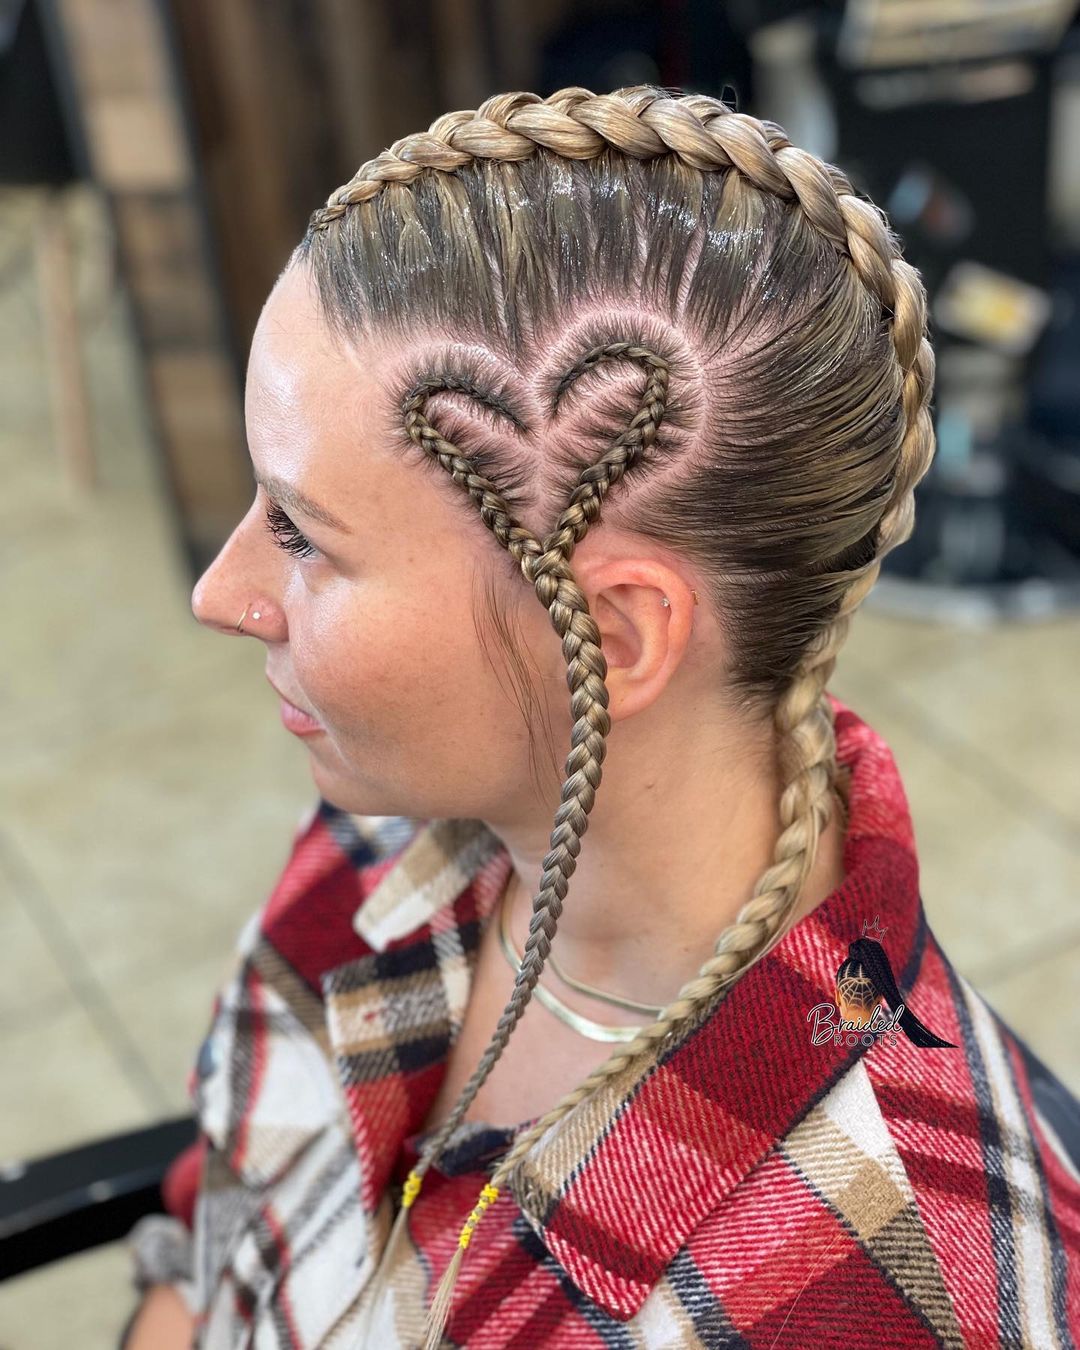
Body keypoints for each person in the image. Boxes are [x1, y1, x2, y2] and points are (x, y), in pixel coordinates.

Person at [121, 83, 1080, 1348]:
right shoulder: (387, 827)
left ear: (614, 639)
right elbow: (219, 1229)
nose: (221, 594)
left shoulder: (885, 1285)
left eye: (303, 535)